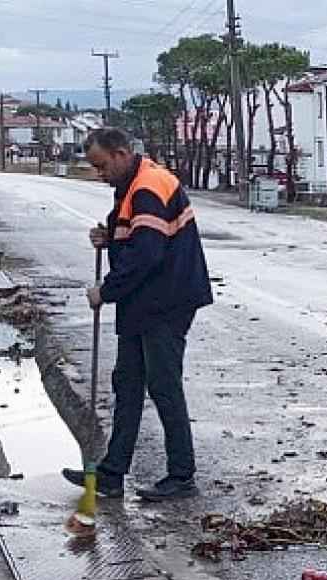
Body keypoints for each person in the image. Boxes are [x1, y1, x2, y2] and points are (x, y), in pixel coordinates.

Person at [61, 128, 214, 502]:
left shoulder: (148, 187)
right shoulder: (132, 185)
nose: (100, 174)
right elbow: (135, 235)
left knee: (163, 385)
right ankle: (112, 474)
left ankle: (182, 475)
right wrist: (109, 236)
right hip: (144, 301)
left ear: (121, 153)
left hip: (166, 300)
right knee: (127, 383)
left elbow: (148, 254)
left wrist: (106, 291)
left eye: (101, 166)